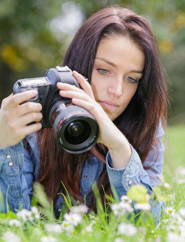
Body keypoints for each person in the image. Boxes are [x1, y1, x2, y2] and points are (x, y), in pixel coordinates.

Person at [0, 6, 167, 223]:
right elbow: (13, 220)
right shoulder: (33, 119)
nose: (117, 91)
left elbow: (148, 224)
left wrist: (118, 147)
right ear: (78, 66)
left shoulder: (144, 126)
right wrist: (5, 146)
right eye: (104, 71)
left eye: (132, 79)